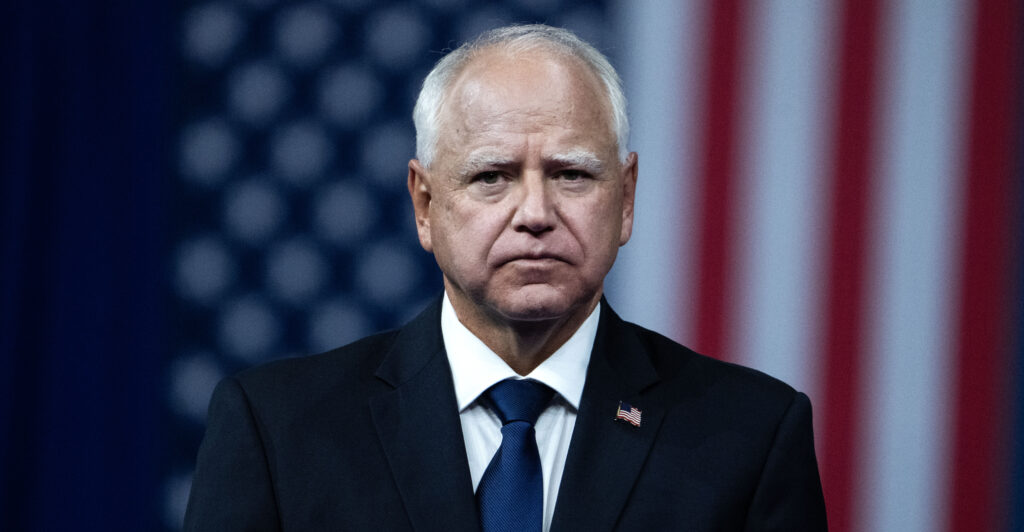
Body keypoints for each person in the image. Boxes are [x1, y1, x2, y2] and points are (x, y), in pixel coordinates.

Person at [184, 24, 827, 531]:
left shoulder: (751, 436)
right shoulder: (278, 430)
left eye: (571, 174)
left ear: (625, 198)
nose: (536, 215)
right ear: (425, 205)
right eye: (491, 177)